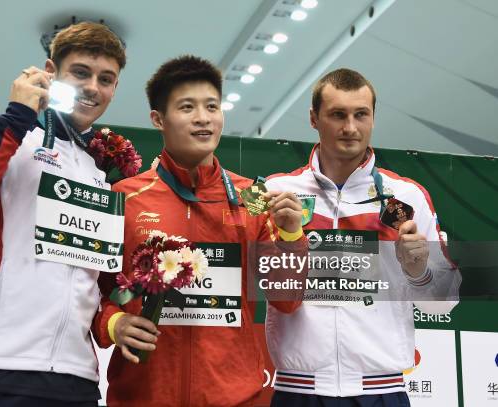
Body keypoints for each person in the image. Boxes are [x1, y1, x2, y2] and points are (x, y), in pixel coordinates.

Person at [0, 22, 126, 407]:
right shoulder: (5, 131)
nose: (93, 88)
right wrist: (16, 118)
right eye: (80, 73)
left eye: (106, 79)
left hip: (78, 382)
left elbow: (101, 282)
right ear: (50, 72)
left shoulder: (101, 170)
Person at [92, 55, 307, 406]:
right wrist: (114, 322)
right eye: (187, 107)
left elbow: (287, 299)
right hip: (143, 396)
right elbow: (90, 291)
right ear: (158, 119)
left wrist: (291, 237)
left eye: (212, 106)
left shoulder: (252, 199)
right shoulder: (126, 198)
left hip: (236, 398)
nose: (203, 118)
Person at [265, 68, 460, 406]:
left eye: (361, 115)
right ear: (314, 118)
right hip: (299, 391)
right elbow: (268, 286)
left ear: (373, 118)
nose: (350, 128)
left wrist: (419, 270)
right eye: (337, 115)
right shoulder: (279, 193)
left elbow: (443, 303)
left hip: (381, 392)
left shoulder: (407, 196)